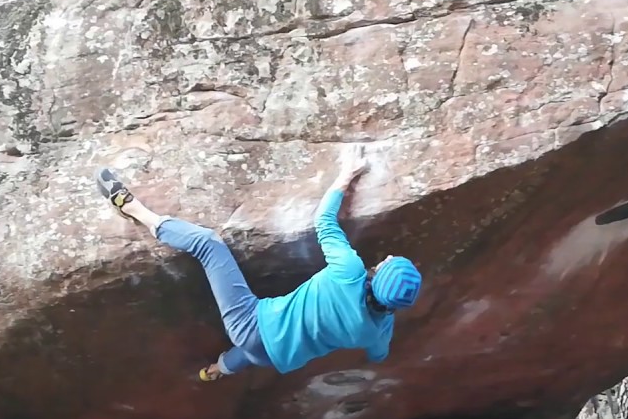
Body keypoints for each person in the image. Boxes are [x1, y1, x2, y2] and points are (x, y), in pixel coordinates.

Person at [95, 150, 423, 381]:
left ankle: (136, 211)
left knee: (209, 245)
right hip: (277, 358)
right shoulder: (377, 330)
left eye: (388, 264)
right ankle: (212, 373)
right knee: (247, 355)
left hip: (251, 323)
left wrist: (346, 175)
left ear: (378, 272)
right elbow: (378, 354)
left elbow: (324, 221)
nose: (388, 258)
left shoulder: (348, 272)